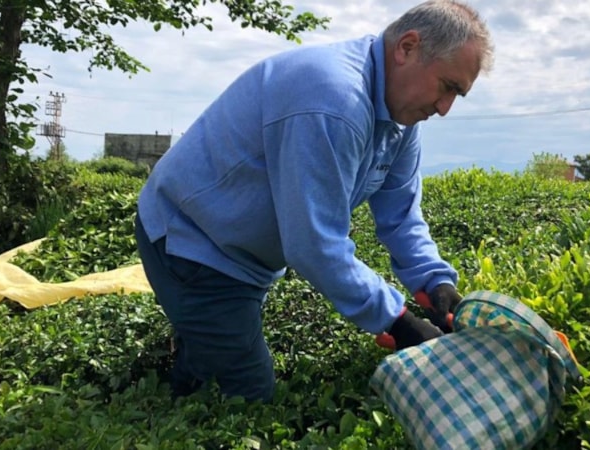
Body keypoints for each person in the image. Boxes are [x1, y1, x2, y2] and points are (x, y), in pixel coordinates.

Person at [134, 0, 495, 403]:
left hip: (242, 252)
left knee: (220, 345)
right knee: (251, 391)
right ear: (407, 47)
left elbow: (401, 218)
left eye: (457, 96)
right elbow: (314, 245)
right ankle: (177, 392)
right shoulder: (333, 99)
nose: (445, 109)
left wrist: (436, 283)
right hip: (192, 240)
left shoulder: (399, 122)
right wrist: (397, 321)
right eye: (447, 86)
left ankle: (189, 370)